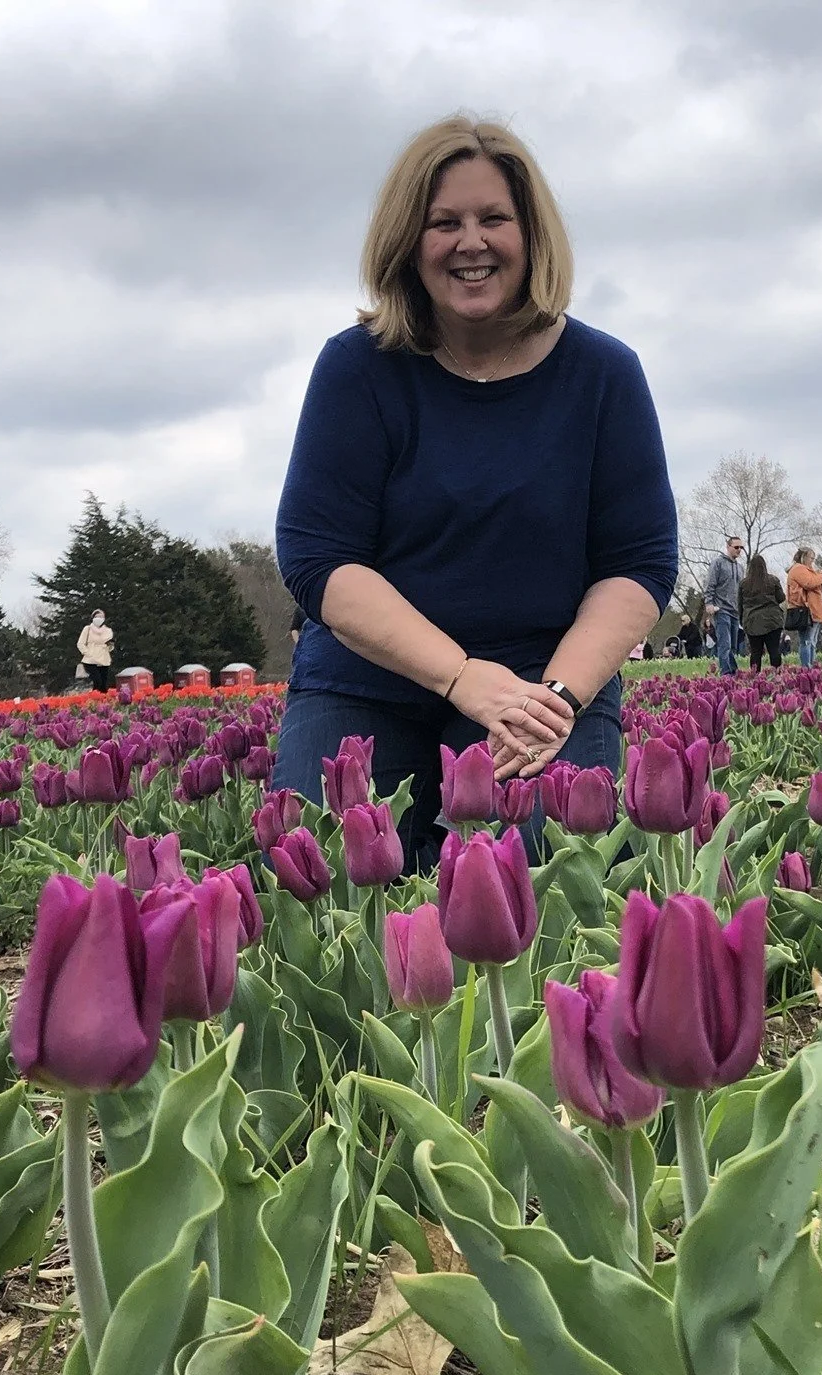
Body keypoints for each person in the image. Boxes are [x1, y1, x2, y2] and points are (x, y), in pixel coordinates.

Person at [271, 115, 677, 868]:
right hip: (370, 681)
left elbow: (638, 562)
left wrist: (552, 697)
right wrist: (461, 677)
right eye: (443, 223)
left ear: (532, 235)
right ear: (406, 240)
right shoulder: (359, 369)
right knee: (321, 870)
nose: (471, 242)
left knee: (537, 869)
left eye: (494, 219)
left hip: (540, 679)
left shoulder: (602, 375)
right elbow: (319, 559)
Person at [704, 534, 745, 676]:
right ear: (728, 547)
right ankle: (726, 674)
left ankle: (733, 671)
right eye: (736, 547)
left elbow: (741, 591)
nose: (739, 550)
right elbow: (710, 583)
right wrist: (709, 602)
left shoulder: (740, 568)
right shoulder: (718, 563)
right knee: (724, 643)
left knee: (733, 645)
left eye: (741, 547)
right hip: (721, 609)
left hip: (735, 611)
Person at [738, 554, 785, 672]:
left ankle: (755, 677)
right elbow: (781, 598)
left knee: (755, 652)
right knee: (774, 650)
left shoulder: (744, 584)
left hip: (752, 621)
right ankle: (777, 675)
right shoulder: (773, 580)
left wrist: (742, 621)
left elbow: (740, 604)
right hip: (772, 620)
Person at [785, 546, 822, 666]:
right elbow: (810, 583)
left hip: (813, 610)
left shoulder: (805, 570)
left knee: (811, 641)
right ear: (804, 557)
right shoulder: (799, 569)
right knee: (807, 641)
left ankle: (811, 666)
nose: (812, 562)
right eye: (811, 558)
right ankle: (806, 667)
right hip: (807, 610)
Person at [77, 608, 114, 691]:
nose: (99, 619)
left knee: (103, 685)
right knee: (97, 681)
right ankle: (94, 699)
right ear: (93, 618)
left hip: (104, 659)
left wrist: (110, 645)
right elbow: (80, 643)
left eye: (101, 617)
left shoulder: (108, 631)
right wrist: (87, 653)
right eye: (97, 617)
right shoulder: (87, 629)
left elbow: (110, 648)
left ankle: (103, 701)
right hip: (90, 660)